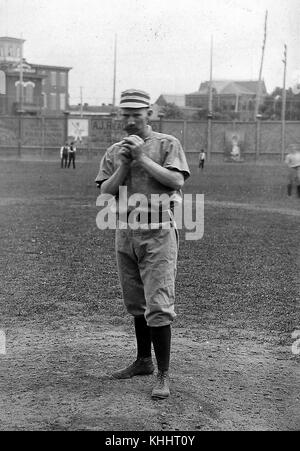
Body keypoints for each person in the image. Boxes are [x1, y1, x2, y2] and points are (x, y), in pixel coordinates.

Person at [95, 89, 190, 399]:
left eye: (138, 113)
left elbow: (176, 182)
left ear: (150, 113)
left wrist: (142, 157)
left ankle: (163, 374)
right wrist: (124, 164)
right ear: (120, 116)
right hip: (125, 231)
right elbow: (106, 192)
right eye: (127, 114)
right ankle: (143, 361)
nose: (132, 119)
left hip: (158, 231)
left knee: (159, 304)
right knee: (136, 302)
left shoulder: (167, 144)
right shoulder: (114, 150)